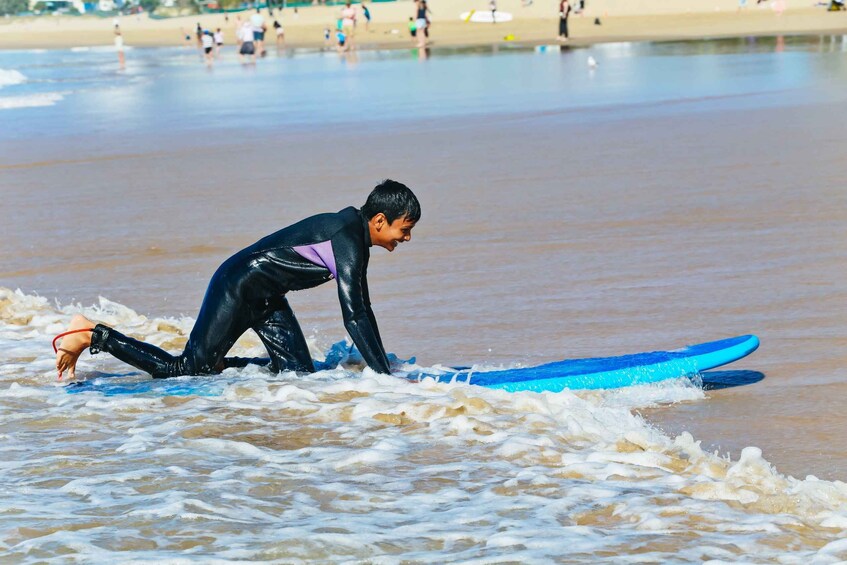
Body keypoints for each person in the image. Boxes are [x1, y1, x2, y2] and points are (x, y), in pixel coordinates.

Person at [54, 181, 421, 381]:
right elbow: (355, 314)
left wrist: (382, 371)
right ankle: (91, 334)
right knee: (182, 371)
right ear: (378, 220)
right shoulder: (347, 238)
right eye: (404, 230)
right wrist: (385, 379)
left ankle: (220, 366)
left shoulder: (352, 235)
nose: (406, 238)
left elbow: (361, 312)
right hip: (238, 285)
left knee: (297, 376)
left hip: (266, 296)